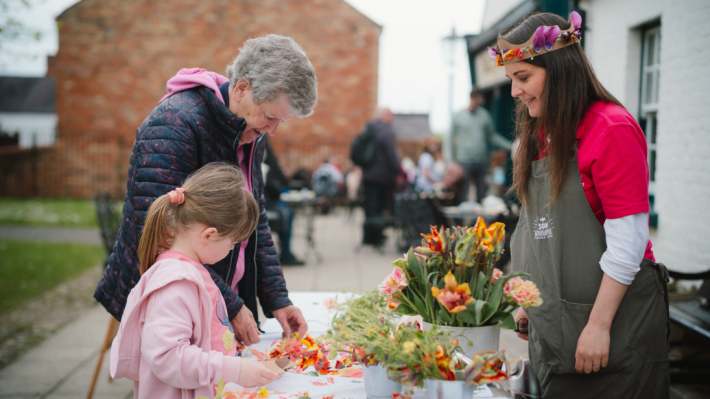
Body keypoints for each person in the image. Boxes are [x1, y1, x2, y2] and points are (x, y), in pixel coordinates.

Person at [94, 35, 318, 351]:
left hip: (220, 296)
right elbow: (160, 234)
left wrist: (277, 299)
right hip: (173, 302)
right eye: (270, 117)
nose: (273, 130)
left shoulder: (251, 132)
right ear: (241, 88)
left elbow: (255, 223)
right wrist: (229, 302)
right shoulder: (175, 124)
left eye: (281, 121)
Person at [494, 12, 669, 398]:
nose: (514, 92)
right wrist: (531, 304)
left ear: (558, 69)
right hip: (557, 328)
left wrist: (599, 325)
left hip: (614, 328)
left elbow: (629, 242)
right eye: (511, 80)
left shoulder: (611, 129)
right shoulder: (540, 135)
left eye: (523, 78)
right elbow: (541, 231)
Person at [110, 164, 280, 398]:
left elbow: (194, 334)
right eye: (232, 243)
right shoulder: (175, 282)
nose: (232, 250)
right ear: (209, 235)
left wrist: (221, 345)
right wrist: (233, 369)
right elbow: (167, 356)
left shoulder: (191, 270)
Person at [450, 87, 512, 203]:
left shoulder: (485, 115)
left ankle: (479, 220)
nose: (481, 102)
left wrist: (509, 146)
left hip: (482, 161)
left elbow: (492, 136)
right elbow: (450, 139)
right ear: (472, 98)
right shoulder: (459, 115)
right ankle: (461, 221)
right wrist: (451, 160)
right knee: (462, 194)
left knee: (481, 195)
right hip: (464, 160)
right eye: (479, 99)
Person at [360, 107, 399, 247]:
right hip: (382, 176)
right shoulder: (386, 132)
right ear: (386, 116)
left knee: (369, 207)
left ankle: (368, 237)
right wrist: (397, 171)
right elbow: (391, 155)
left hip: (367, 174)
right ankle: (377, 238)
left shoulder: (368, 128)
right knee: (379, 208)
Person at [263, 137, 304, 266]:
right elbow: (276, 190)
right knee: (287, 215)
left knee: (286, 213)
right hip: (265, 209)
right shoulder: (265, 169)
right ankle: (286, 253)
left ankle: (285, 252)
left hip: (263, 207)